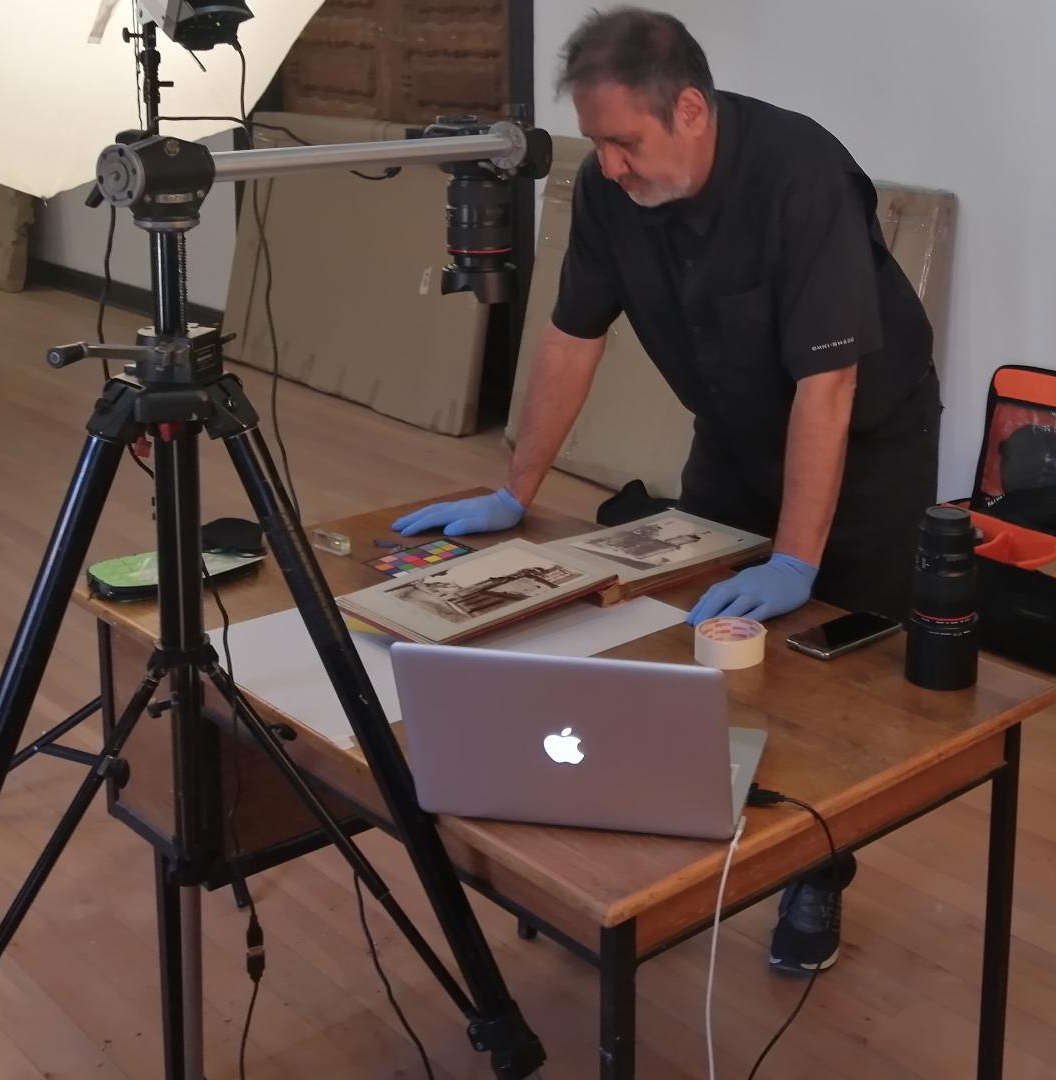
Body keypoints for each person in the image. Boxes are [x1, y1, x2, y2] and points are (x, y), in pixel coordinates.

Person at [390, 7, 943, 974]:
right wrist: (514, 492)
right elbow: (571, 338)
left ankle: (818, 870)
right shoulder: (611, 192)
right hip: (731, 434)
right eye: (596, 141)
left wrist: (800, 556)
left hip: (864, 445)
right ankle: (680, 824)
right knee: (699, 636)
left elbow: (830, 385)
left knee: (832, 681)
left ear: (691, 109)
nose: (608, 164)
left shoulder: (799, 177)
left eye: (623, 142)